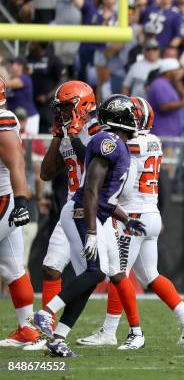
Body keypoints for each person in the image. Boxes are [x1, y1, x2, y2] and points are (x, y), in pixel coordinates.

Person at [77, 97, 184, 347]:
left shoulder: (129, 142)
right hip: (151, 213)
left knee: (117, 273)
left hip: (131, 215)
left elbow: (124, 180)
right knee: (150, 275)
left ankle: (118, 332)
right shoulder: (154, 141)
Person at [31, 95, 147, 357]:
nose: (135, 118)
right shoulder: (109, 142)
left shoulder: (118, 144)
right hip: (83, 213)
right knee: (96, 273)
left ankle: (58, 338)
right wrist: (93, 231)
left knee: (91, 278)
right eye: (130, 114)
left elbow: (104, 197)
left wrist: (126, 219)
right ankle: (45, 313)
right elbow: (91, 190)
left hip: (91, 213)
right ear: (118, 118)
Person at [24, 81, 98, 351]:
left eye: (67, 108)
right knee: (52, 267)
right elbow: (45, 173)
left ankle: (120, 329)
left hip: (91, 210)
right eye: (60, 109)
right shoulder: (67, 131)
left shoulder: (97, 129)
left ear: (82, 106)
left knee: (95, 275)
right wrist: (59, 136)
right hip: (71, 207)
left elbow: (93, 161)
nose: (62, 114)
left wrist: (74, 135)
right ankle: (48, 331)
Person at [0, 77, 37, 347]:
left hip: (2, 199)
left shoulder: (3, 120)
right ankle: (28, 329)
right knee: (14, 268)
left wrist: (22, 201)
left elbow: (16, 164)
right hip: (7, 199)